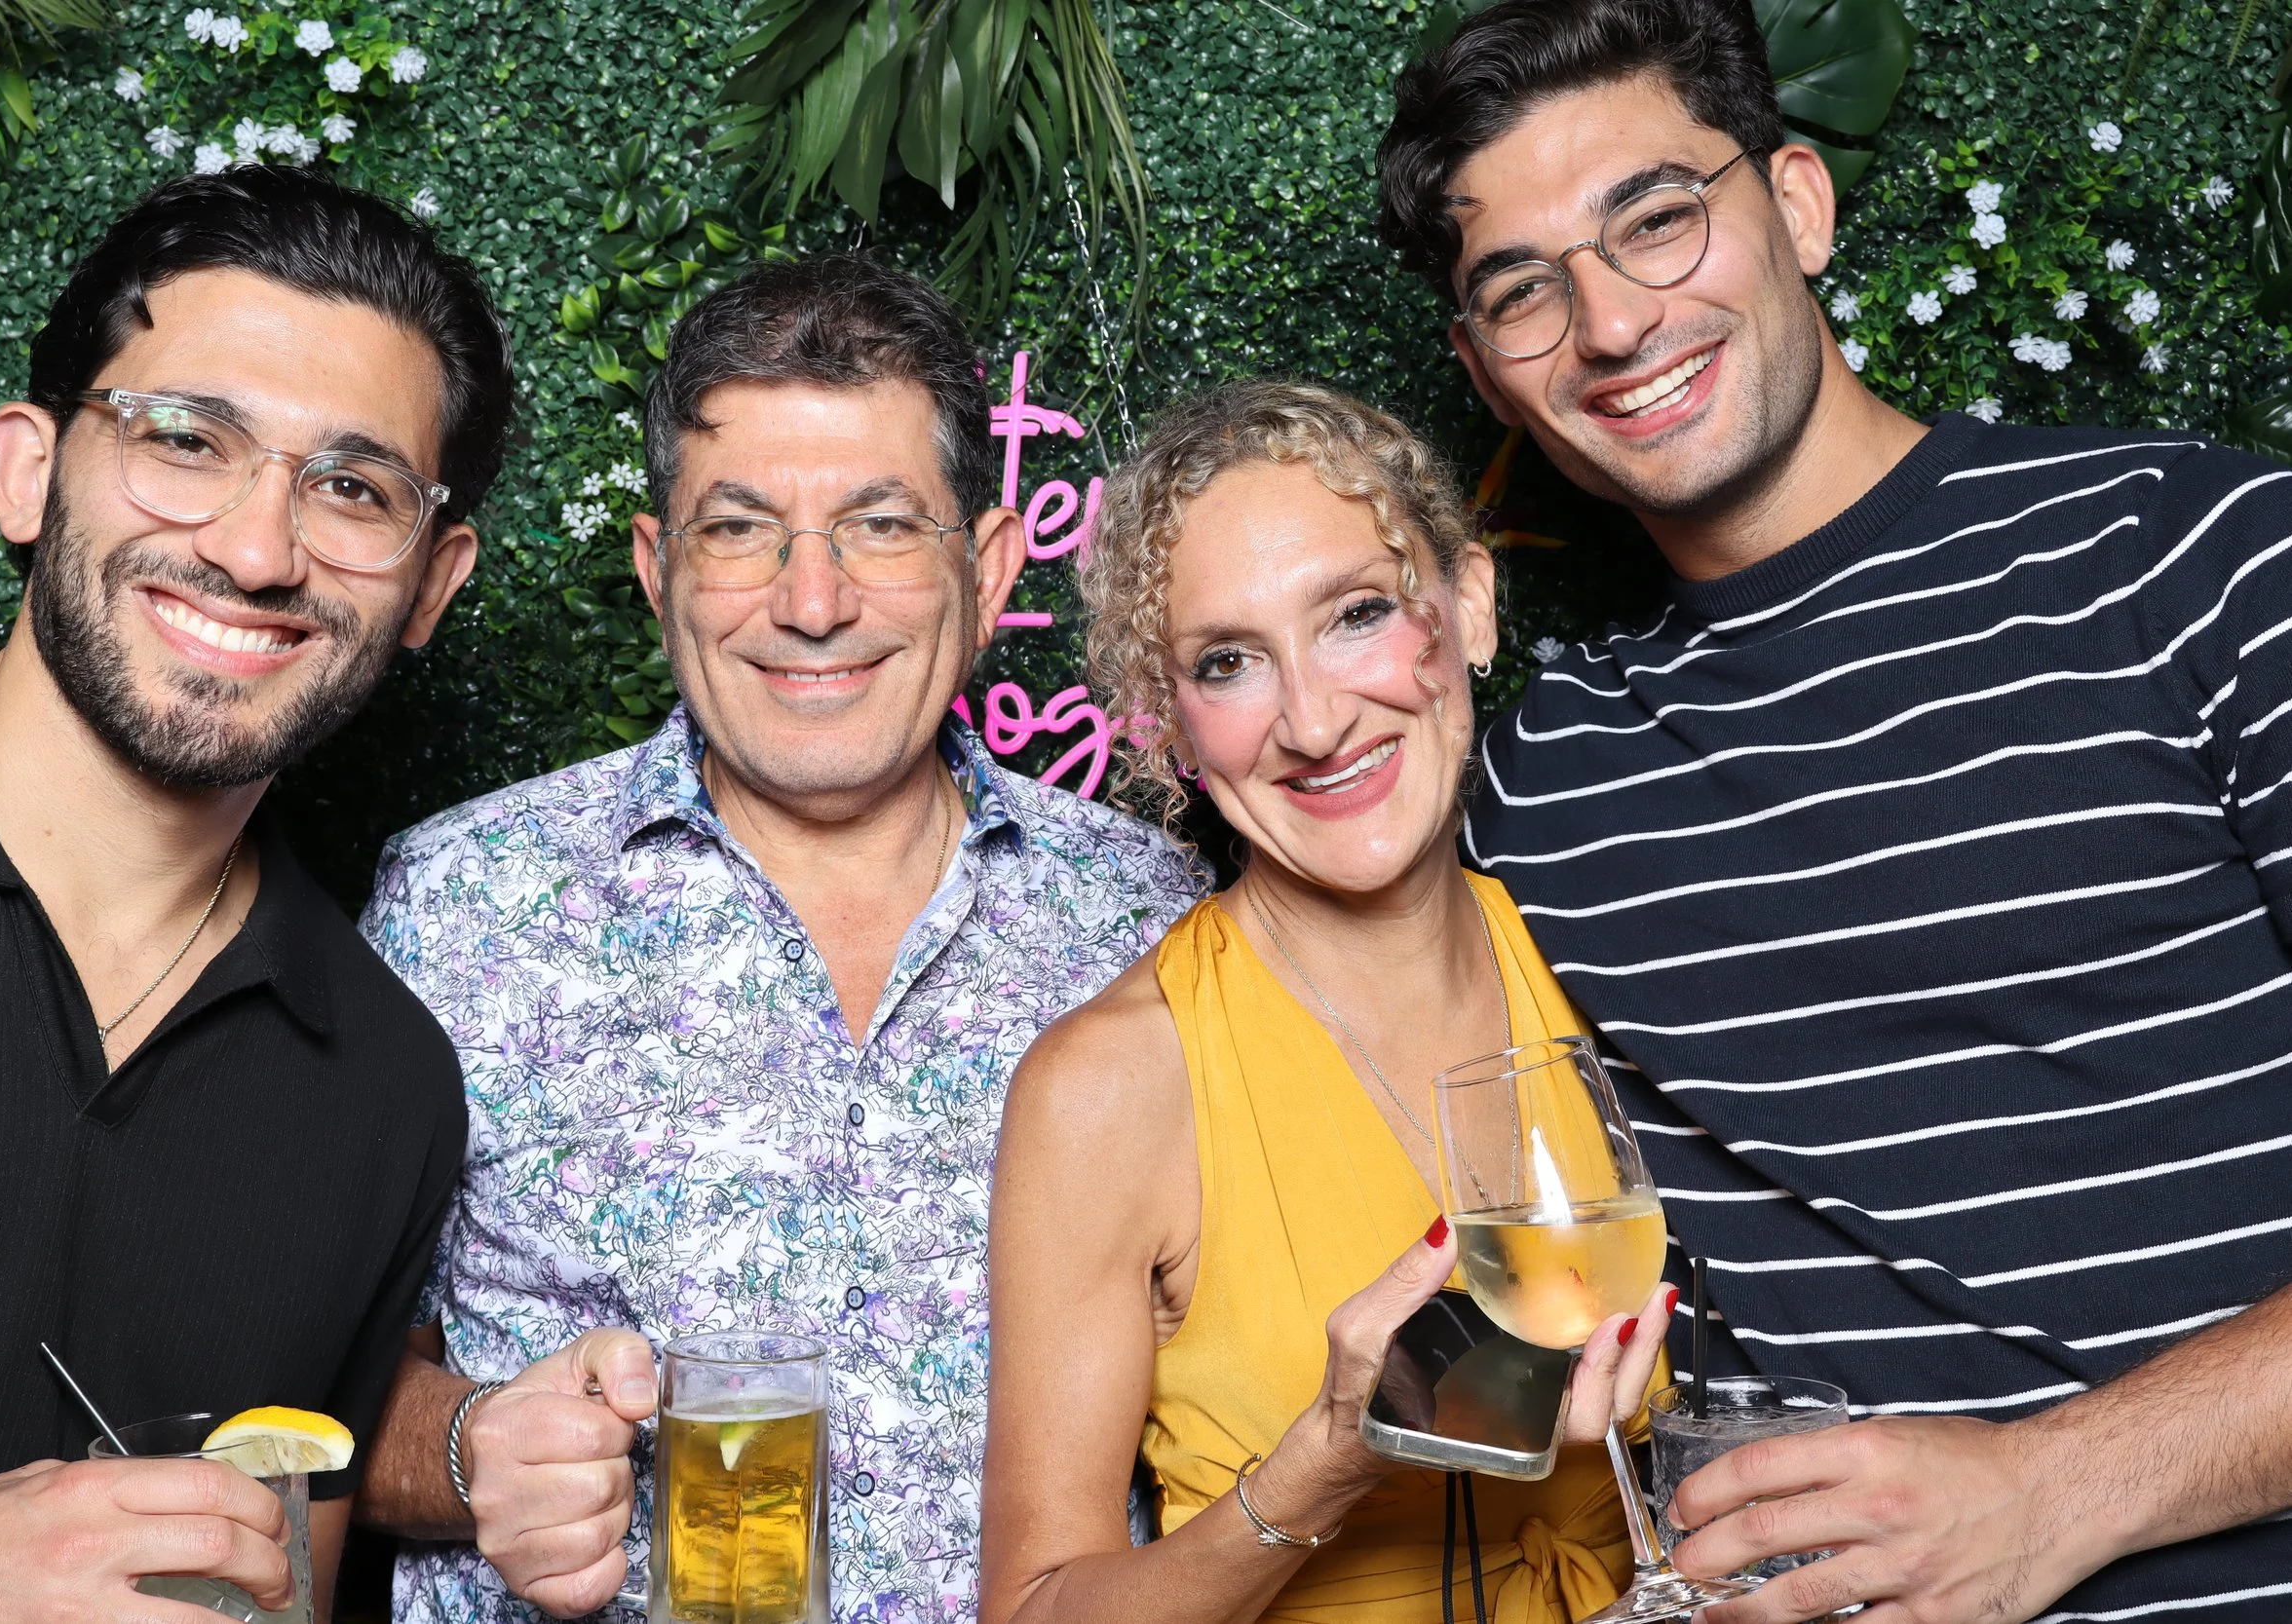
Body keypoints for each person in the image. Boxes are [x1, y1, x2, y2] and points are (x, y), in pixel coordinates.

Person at [1375, 0, 2292, 1618]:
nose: (1612, 323)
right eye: (1523, 289)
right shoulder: (1541, 788)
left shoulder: (2200, 563)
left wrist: (2057, 1486)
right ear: (1484, 373)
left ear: (1797, 205)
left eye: (1658, 219)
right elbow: (1502, 1277)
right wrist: (1345, 1445)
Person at [351, 252, 1205, 1624]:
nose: (813, 602)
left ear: (988, 567)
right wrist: (466, 1450)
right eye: (741, 530)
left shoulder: (1152, 916)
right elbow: (310, 1384)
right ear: (659, 570)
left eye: (882, 525)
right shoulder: (460, 898)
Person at [0, 167, 506, 1620]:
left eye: (353, 489)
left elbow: (282, 1583)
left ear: (429, 583)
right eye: (188, 439)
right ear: (27, 472)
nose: (257, 550)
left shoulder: (382, 1084)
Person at [981, 381, 1679, 1624]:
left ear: (1469, 606)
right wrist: (1328, 1458)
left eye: (1357, 614)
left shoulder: (1601, 952)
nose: (1312, 721)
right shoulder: (1111, 1083)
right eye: (1228, 662)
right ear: (1173, 722)